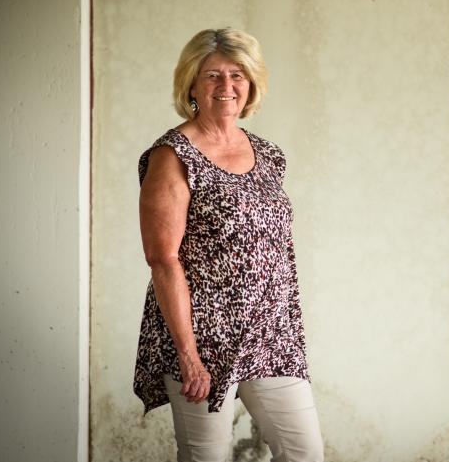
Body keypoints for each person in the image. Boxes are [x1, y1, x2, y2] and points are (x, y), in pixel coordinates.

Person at [133, 27, 324, 462]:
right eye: (213, 75)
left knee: (305, 455)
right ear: (192, 85)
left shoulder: (269, 155)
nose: (227, 86)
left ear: (251, 83)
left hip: (271, 336)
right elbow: (162, 260)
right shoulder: (172, 155)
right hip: (202, 339)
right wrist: (188, 354)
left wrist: (284, 326)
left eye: (238, 75)